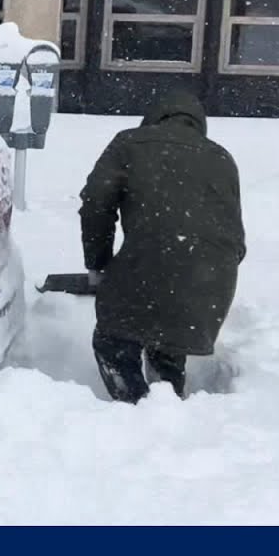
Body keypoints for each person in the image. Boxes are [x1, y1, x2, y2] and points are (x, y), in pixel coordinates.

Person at [78, 89, 246, 404]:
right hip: (211, 280)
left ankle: (136, 411)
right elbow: (234, 235)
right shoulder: (221, 157)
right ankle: (167, 405)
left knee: (113, 341)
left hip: (150, 265)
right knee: (169, 341)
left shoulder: (130, 143)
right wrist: (202, 275)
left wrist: (99, 265)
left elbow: (95, 204)